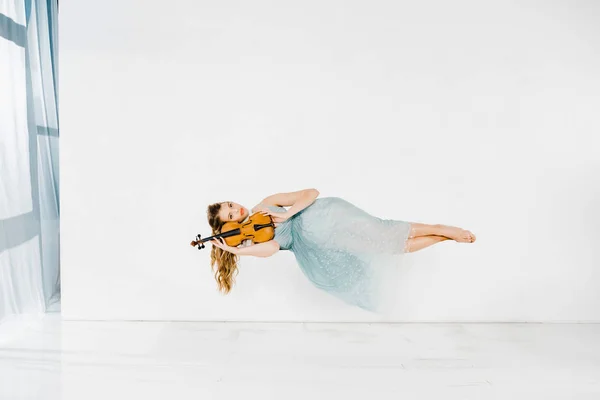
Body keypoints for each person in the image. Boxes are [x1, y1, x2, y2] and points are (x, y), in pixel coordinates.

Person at [199, 188, 476, 313]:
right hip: (320, 244)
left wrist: (288, 214)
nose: (238, 210)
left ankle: (440, 227)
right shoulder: (254, 241)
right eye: (232, 215)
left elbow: (311, 193)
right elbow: (272, 248)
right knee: (388, 248)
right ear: (230, 226)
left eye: (231, 205)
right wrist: (238, 252)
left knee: (382, 229)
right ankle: (444, 238)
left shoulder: (267, 204)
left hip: (327, 215)